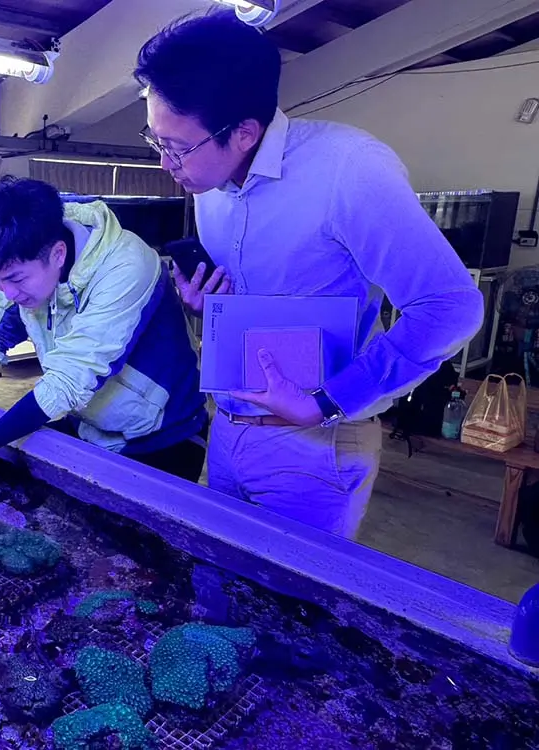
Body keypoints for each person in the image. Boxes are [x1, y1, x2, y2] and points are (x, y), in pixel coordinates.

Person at [134, 12, 483, 538]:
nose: (166, 164)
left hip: (314, 446)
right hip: (227, 426)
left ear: (244, 133)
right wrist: (213, 307)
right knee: (217, 577)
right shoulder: (210, 187)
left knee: (291, 589)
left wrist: (327, 401)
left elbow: (451, 305)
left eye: (177, 148)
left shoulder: (348, 169)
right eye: (156, 140)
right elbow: (272, 298)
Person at [0, 177, 208, 481]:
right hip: (90, 426)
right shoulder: (15, 256)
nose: (7, 292)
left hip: (164, 434)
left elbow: (68, 381)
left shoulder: (127, 266)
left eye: (16, 279)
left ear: (58, 254)